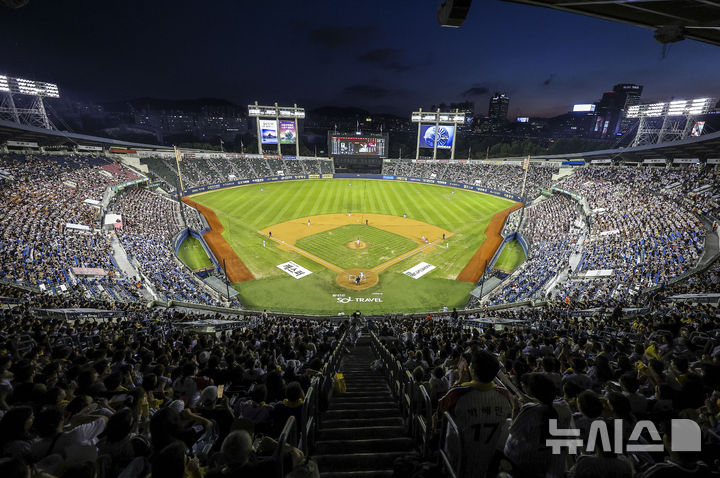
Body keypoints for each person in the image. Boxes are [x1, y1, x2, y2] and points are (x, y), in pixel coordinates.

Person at [438, 350, 512, 478]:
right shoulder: (504, 395)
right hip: (488, 460)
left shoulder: (459, 393)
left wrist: (460, 382)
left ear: (472, 370)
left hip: (456, 459)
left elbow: (440, 410)